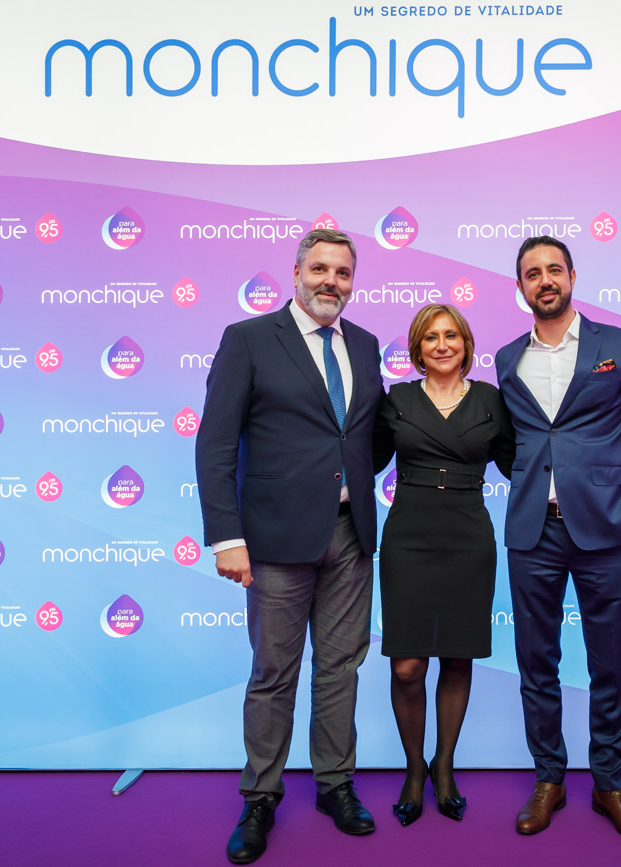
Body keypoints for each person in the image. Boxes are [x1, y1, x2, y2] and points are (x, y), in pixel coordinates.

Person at [195, 228, 384, 865]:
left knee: (341, 668)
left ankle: (335, 786)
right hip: (273, 538)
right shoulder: (248, 339)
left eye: (343, 272)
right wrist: (227, 537)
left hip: (350, 534)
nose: (332, 281)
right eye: (321, 269)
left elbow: (363, 437)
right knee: (274, 672)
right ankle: (259, 798)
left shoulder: (364, 344)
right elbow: (215, 445)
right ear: (297, 272)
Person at [495, 236, 621, 844]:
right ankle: (549, 779)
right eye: (531, 273)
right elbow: (513, 443)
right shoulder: (506, 358)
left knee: (609, 665)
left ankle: (610, 785)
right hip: (532, 532)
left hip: (606, 530)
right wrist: (528, 484)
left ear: (571, 276)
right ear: (521, 287)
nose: (544, 280)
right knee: (535, 662)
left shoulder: (619, 345)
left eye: (553, 270)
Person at [372, 304, 514, 827]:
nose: (442, 345)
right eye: (430, 337)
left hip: (467, 538)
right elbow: (363, 459)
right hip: (408, 537)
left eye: (451, 335)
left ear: (466, 344)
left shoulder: (492, 400)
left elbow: (519, 463)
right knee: (407, 666)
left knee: (457, 658)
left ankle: (444, 766)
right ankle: (415, 768)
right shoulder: (396, 400)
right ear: (417, 349)